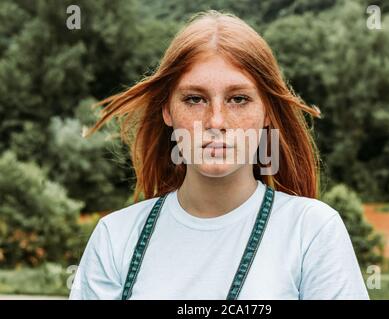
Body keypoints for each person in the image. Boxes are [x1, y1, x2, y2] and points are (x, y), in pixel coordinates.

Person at [69, 10, 369, 300]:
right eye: (195, 99)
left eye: (238, 99)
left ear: (267, 111)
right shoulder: (115, 238)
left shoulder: (311, 232)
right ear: (167, 110)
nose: (216, 122)